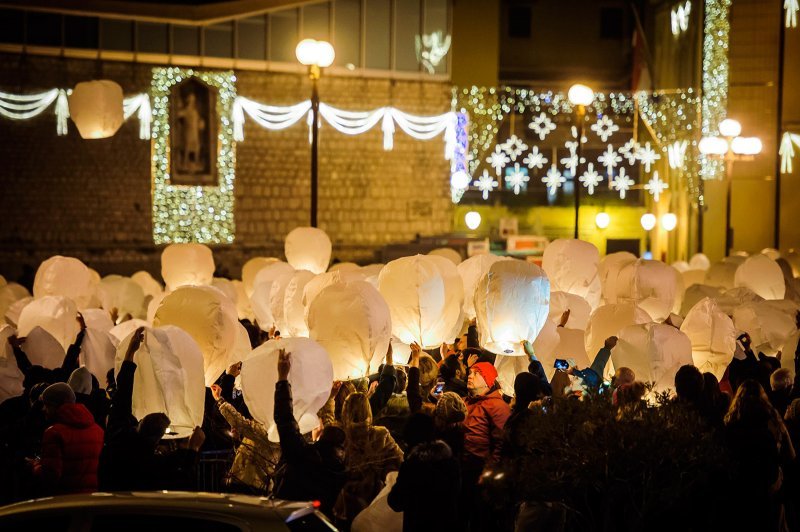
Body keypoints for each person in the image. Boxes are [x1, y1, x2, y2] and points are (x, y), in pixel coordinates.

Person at [99, 327, 204, 492]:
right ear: (159, 439)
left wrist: (130, 353)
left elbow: (123, 396)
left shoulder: (118, 439)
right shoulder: (154, 465)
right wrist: (192, 450)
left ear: (139, 424)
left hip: (109, 510)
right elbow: (184, 482)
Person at [270, 349, 346, 518]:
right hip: (317, 525)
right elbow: (327, 420)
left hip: (287, 519)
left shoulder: (304, 457)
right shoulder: (340, 472)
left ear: (320, 438)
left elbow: (285, 420)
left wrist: (283, 378)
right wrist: (331, 398)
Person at [724, 379, 796, 530]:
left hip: (742, 488)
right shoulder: (773, 421)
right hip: (770, 484)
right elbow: (790, 454)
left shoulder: (730, 424)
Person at [335, 391, 404, 525]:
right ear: (368, 411)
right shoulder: (381, 435)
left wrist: (331, 399)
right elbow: (401, 460)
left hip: (344, 509)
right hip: (372, 506)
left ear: (345, 412)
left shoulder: (340, 437)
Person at [30, 382, 104, 495]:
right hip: (91, 500)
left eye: (47, 405)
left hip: (64, 502)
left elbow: (51, 476)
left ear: (56, 405)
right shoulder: (97, 430)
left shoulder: (53, 433)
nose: (43, 409)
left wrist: (35, 466)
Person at [462, 361, 510, 529]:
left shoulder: (497, 406)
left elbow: (501, 442)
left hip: (480, 471)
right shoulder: (466, 402)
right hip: (464, 468)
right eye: (469, 372)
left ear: (488, 380)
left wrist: (489, 472)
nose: (470, 375)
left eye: (476, 373)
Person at [210, 381, 277, 493]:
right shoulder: (265, 428)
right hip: (243, 483)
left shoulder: (272, 431)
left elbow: (241, 423)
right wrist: (237, 442)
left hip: (253, 487)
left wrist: (220, 400)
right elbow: (251, 454)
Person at [388, 439, 461, 532]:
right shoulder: (451, 468)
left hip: (417, 526)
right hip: (445, 526)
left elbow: (396, 502)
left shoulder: (411, 469)